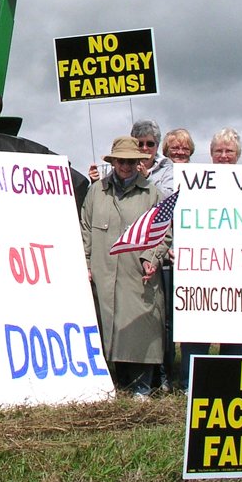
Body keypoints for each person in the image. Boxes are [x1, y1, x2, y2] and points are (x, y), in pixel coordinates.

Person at [80, 136, 167, 398]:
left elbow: (164, 232)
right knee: (105, 329)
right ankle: (110, 386)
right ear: (113, 161)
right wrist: (85, 262)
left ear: (138, 162)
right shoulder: (97, 191)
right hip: (103, 272)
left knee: (140, 330)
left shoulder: (153, 193)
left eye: (131, 161)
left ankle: (141, 388)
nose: (126, 166)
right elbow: (85, 228)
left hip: (136, 274)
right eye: (121, 161)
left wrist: (152, 259)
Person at [178, 127, 242, 388]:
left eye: (229, 151)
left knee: (235, 327)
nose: (224, 156)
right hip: (201, 267)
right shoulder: (195, 182)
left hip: (239, 267)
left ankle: (230, 383)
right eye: (219, 151)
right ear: (211, 154)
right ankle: (190, 384)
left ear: (237, 154)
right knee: (197, 326)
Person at [131, 119, 174, 197]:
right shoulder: (124, 166)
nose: (144, 148)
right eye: (140, 144)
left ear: (157, 146)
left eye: (150, 144)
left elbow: (169, 197)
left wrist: (148, 177)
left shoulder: (167, 168)